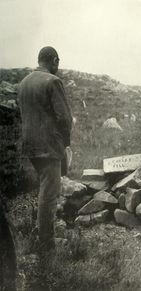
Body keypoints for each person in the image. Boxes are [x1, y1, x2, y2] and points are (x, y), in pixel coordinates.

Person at [18, 46, 72, 257]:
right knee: (49, 195)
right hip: (49, 148)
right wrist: (65, 143)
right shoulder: (53, 81)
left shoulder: (24, 82)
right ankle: (46, 245)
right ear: (55, 61)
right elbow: (65, 118)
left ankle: (40, 233)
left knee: (43, 190)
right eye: (58, 63)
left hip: (30, 147)